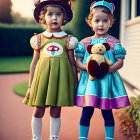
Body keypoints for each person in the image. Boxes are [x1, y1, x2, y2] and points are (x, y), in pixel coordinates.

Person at [23, 0, 78, 140]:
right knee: (38, 111)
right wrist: (30, 86)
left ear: (64, 17)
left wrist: (75, 84)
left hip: (59, 81)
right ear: (43, 17)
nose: (54, 18)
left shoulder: (68, 40)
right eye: (50, 14)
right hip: (41, 81)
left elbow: (72, 64)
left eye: (58, 14)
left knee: (55, 111)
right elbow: (34, 63)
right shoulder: (39, 39)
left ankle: (54, 136)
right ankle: (36, 137)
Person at [75, 1, 130, 140]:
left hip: (107, 82)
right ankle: (82, 137)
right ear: (90, 22)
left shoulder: (114, 43)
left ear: (110, 22)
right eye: (97, 20)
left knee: (107, 111)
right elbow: (78, 62)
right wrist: (88, 67)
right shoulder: (85, 43)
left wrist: (108, 69)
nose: (101, 24)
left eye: (105, 21)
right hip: (90, 83)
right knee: (87, 111)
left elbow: (120, 62)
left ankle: (109, 137)